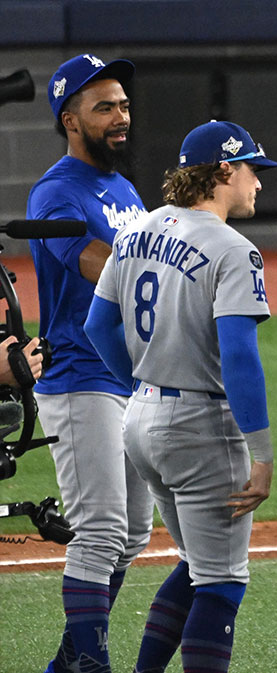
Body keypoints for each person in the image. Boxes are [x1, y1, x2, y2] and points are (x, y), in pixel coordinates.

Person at [84, 120, 277, 673]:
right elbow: (239, 356)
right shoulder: (234, 249)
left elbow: (100, 325)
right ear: (223, 171)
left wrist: (141, 387)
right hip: (200, 427)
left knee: (196, 563)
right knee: (221, 584)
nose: (258, 183)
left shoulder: (140, 228)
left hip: (141, 419)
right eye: (252, 170)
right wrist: (261, 454)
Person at [26, 53, 154, 673]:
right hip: (80, 379)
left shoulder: (123, 188)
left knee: (132, 535)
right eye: (104, 107)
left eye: (123, 104)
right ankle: (93, 666)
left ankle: (70, 665)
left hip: (128, 378)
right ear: (70, 120)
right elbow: (96, 262)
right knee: (101, 532)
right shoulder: (55, 192)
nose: (121, 116)